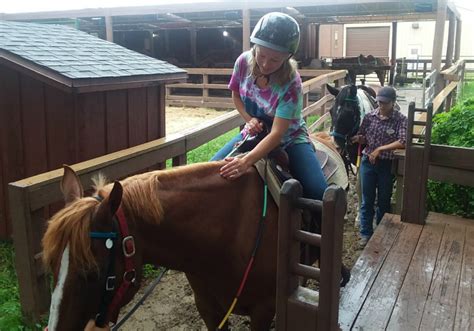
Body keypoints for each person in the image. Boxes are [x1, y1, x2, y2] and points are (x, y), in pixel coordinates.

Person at [210, 12, 327, 200]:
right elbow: (236, 95)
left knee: (318, 192)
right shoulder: (243, 62)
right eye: (261, 54)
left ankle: (322, 227)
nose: (265, 64)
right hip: (256, 131)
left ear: (287, 57)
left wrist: (245, 162)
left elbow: (277, 134)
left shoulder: (291, 82)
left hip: (289, 137)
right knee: (212, 167)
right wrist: (250, 121)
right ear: (254, 47)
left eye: (275, 60)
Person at [351, 86, 407, 247]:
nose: (381, 105)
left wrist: (380, 149)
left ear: (393, 103)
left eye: (385, 103)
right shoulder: (370, 117)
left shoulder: (400, 120)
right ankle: (365, 234)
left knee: (384, 199)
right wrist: (358, 139)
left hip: (386, 163)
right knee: (367, 200)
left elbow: (403, 141)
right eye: (379, 102)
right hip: (369, 162)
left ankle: (382, 232)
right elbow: (363, 136)